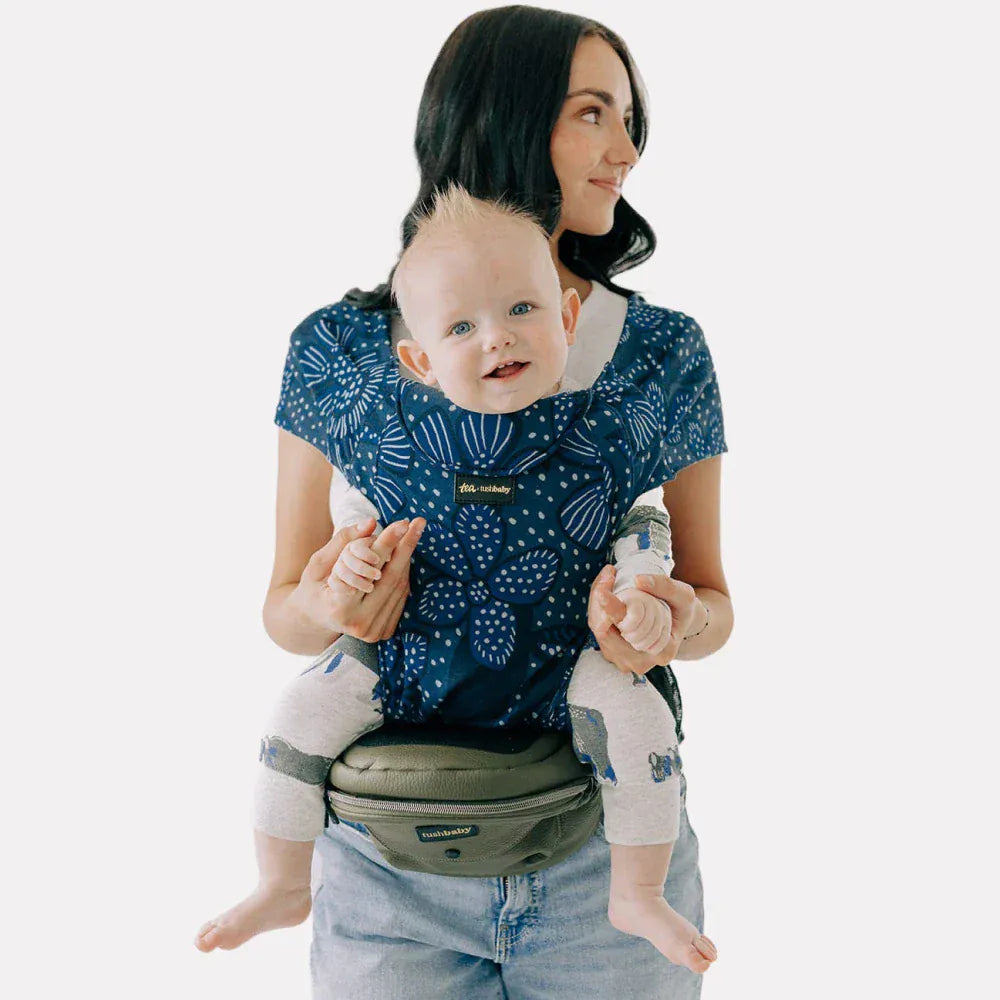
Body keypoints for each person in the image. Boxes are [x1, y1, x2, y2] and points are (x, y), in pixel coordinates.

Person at [237, 7, 731, 998]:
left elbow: (714, 607)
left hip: (604, 856)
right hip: (387, 869)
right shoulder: (337, 351)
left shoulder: (663, 352)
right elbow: (285, 612)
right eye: (592, 113)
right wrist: (330, 603)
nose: (627, 150)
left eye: (628, 118)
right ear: (500, 115)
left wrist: (667, 619)